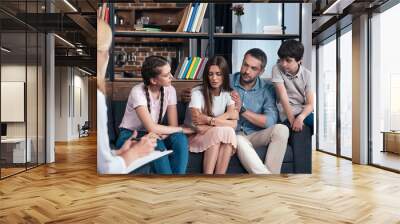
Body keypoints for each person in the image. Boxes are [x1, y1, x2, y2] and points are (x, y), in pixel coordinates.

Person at [97, 18, 157, 174]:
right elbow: (105, 169)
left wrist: (117, 153)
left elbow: (102, 159)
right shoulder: (98, 98)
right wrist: (135, 153)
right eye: (107, 51)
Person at [116, 55, 194, 174]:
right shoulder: (137, 92)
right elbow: (151, 127)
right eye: (166, 75)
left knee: (180, 139)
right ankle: (169, 188)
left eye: (170, 73)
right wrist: (183, 129)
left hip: (155, 132)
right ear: (154, 80)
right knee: (157, 143)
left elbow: (173, 126)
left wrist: (167, 134)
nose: (171, 77)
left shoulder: (170, 90)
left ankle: (178, 183)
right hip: (130, 134)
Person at [230, 48, 289, 174]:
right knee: (239, 140)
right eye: (245, 65)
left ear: (261, 71)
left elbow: (270, 122)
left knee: (281, 129)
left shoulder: (267, 89)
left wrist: (242, 110)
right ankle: (269, 180)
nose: (247, 71)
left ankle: (267, 179)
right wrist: (192, 92)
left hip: (255, 135)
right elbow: (205, 88)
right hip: (233, 134)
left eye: (253, 68)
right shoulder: (227, 81)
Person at [184, 56, 238, 174]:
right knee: (223, 132)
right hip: (196, 136)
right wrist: (228, 115)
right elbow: (198, 127)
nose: (214, 78)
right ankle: (208, 177)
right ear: (206, 76)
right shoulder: (197, 93)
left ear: (224, 75)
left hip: (212, 132)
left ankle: (219, 179)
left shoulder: (228, 93)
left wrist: (208, 120)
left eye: (218, 74)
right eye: (210, 74)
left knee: (227, 132)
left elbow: (234, 124)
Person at [271, 39, 314, 133]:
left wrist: (300, 118)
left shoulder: (308, 75)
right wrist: (292, 121)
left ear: (299, 60)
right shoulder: (277, 69)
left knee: (316, 123)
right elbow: (283, 96)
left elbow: (310, 104)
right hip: (286, 113)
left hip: (302, 111)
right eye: (281, 59)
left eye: (288, 61)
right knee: (298, 131)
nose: (283, 64)